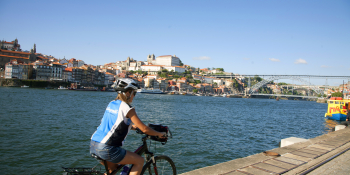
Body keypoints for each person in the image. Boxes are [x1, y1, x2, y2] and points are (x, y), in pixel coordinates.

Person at [90, 78, 166, 175]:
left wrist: (133, 127)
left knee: (112, 171)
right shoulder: (128, 108)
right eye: (134, 93)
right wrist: (159, 134)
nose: (134, 96)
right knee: (139, 161)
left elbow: (116, 123)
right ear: (128, 93)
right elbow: (144, 129)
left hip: (94, 144)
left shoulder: (112, 104)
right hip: (107, 148)